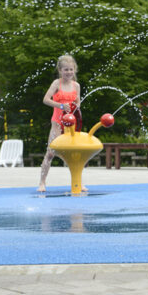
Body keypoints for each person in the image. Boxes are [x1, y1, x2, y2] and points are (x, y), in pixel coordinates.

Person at [38, 54, 84, 192]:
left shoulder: (76, 85)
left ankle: (78, 183)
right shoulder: (56, 84)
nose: (69, 72)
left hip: (71, 125)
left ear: (74, 69)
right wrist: (61, 106)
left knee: (76, 155)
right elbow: (45, 100)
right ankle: (42, 182)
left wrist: (75, 108)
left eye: (71, 69)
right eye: (66, 70)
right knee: (50, 153)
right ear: (60, 70)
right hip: (57, 123)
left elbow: (78, 103)